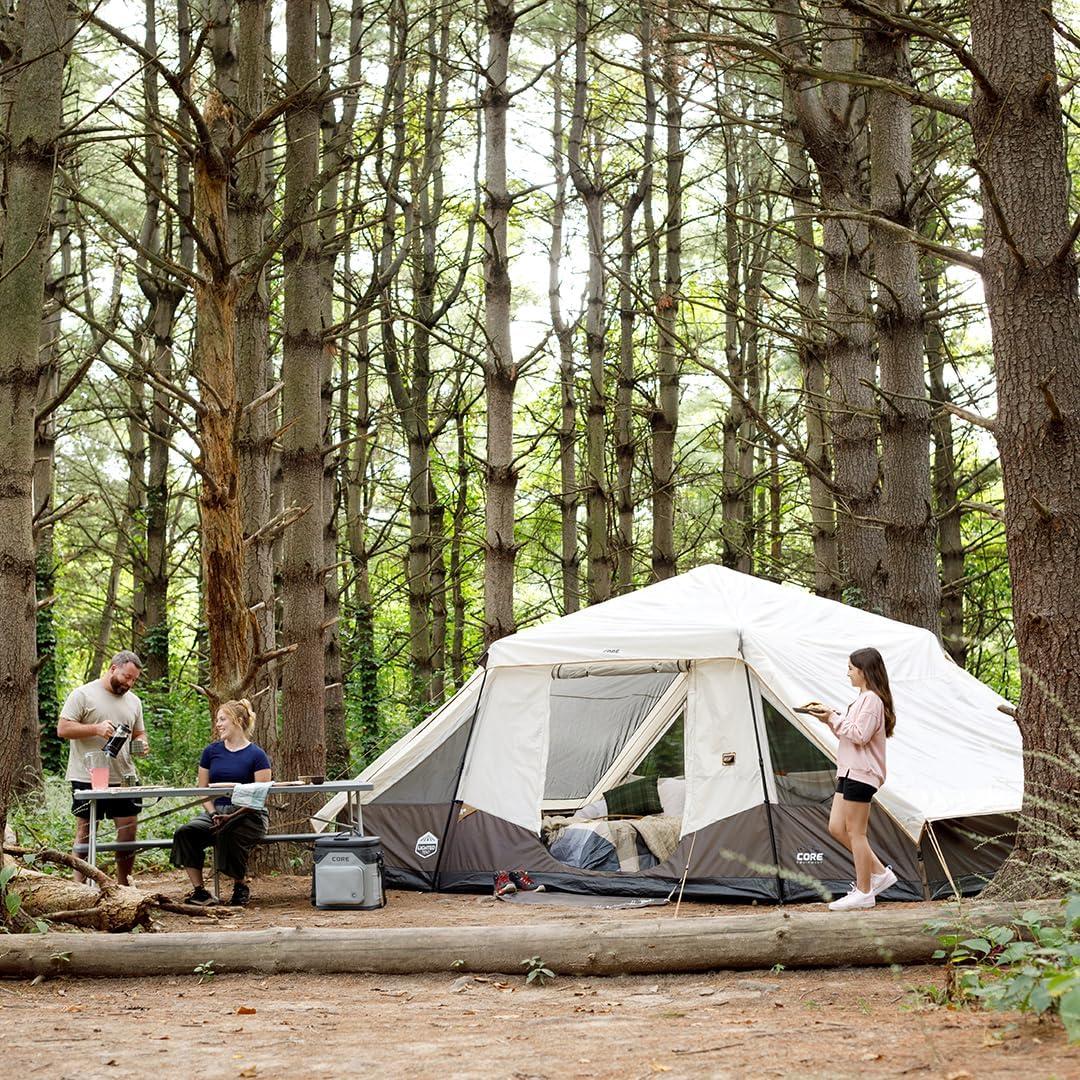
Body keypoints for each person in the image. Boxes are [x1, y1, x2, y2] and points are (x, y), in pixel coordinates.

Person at [805, 647, 898, 911]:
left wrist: (833, 718)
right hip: (848, 770)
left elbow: (859, 735)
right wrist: (830, 718)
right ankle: (880, 873)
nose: (847, 673)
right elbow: (851, 736)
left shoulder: (872, 700)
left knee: (857, 832)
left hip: (862, 773)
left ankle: (864, 892)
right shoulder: (861, 700)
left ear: (863, 671)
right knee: (836, 827)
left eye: (850, 668)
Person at [56, 650, 149, 886]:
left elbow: (139, 733)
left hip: (125, 776)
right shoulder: (83, 695)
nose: (129, 683)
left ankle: (123, 886)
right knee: (86, 834)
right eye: (126, 677)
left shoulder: (134, 701)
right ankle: (79, 887)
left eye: (134, 680)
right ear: (112, 668)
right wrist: (95, 729)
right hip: (87, 776)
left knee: (128, 835)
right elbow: (63, 729)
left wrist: (142, 744)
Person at [171, 698, 271, 907]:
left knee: (229, 830)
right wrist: (213, 813)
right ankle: (200, 892)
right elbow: (202, 790)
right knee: (186, 832)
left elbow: (259, 797)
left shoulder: (257, 755)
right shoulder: (211, 752)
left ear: (238, 721)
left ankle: (240, 886)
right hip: (216, 812)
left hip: (248, 814)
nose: (217, 724)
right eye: (217, 719)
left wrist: (231, 816)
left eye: (222, 719)